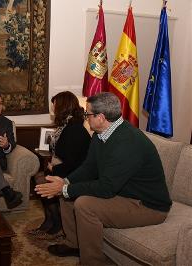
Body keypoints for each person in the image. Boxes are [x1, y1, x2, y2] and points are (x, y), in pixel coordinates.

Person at [35, 92, 172, 265]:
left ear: (100, 117)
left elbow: (107, 187)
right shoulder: (101, 135)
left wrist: (64, 189)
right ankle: (74, 244)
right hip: (123, 193)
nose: (85, 117)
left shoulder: (127, 142)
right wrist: (66, 182)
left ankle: (91, 262)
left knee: (84, 204)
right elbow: (89, 167)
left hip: (147, 205)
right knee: (67, 194)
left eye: (88, 114)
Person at [29, 91, 91, 240]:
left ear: (63, 106)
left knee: (42, 180)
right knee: (39, 179)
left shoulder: (74, 129)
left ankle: (57, 224)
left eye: (55, 106)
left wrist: (53, 168)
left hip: (78, 173)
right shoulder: (67, 126)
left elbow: (74, 163)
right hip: (69, 167)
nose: (53, 109)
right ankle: (50, 220)